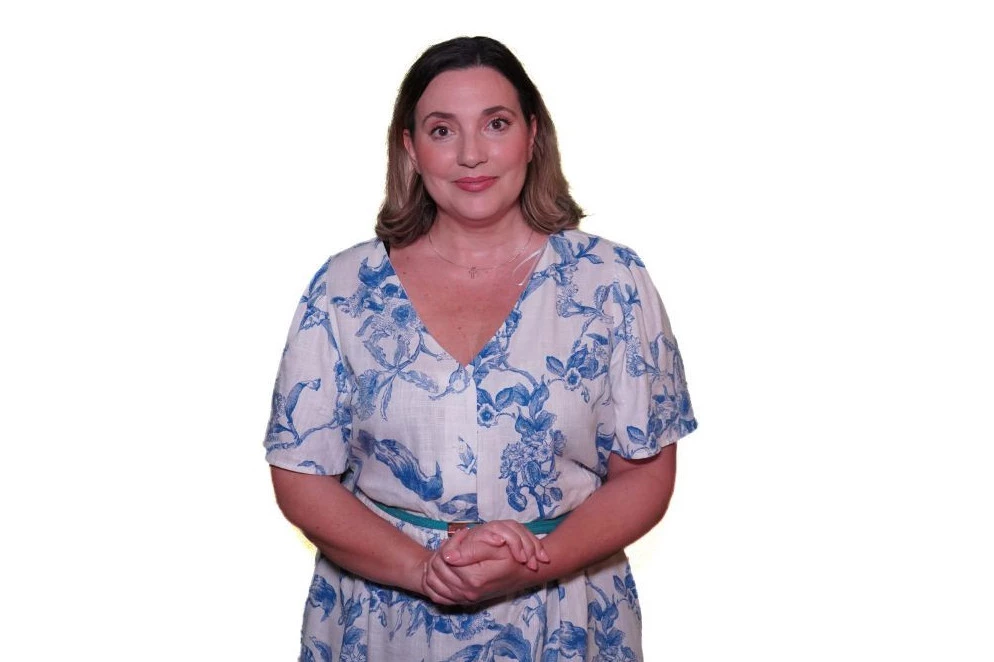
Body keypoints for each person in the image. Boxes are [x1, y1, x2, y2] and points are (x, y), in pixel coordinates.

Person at [265, 35, 698, 661]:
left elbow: (647, 473)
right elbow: (301, 475)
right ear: (410, 148)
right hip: (384, 620)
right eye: (442, 130)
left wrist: (537, 560)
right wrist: (423, 570)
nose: (471, 154)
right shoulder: (342, 288)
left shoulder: (611, 282)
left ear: (533, 134)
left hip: (564, 614)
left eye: (496, 124)